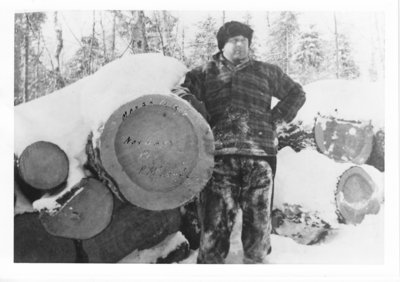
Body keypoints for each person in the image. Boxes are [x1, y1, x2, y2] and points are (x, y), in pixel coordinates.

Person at [172, 21, 306, 264]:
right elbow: (180, 93)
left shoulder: (266, 71)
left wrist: (274, 120)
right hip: (221, 158)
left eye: (244, 40)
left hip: (260, 158)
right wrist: (200, 112)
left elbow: (297, 93)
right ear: (222, 44)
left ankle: (255, 266)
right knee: (214, 228)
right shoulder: (205, 72)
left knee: (258, 230)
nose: (240, 44)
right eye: (234, 40)